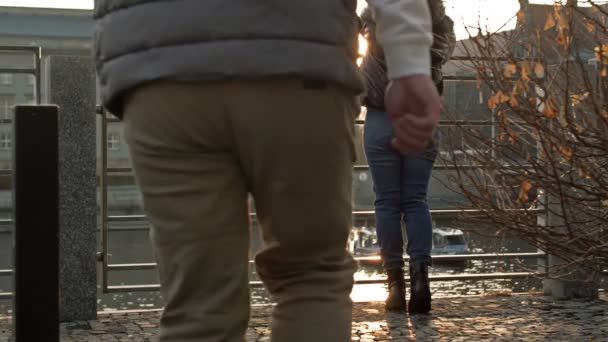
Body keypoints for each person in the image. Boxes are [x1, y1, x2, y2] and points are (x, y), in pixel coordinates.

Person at [94, 0, 440, 340]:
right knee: (312, 278)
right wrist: (409, 64)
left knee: (197, 308)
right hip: (299, 58)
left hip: (160, 67)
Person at [360, 1, 456, 314]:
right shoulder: (443, 26)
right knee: (416, 200)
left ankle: (395, 288)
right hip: (422, 113)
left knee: (386, 202)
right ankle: (421, 283)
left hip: (379, 116)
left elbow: (369, 41)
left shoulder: (373, 16)